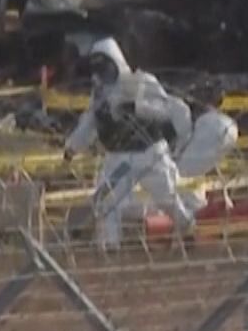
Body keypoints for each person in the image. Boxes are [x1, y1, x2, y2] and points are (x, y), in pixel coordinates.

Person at [64, 37, 195, 249]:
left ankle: (187, 226)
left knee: (166, 199)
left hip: (150, 153)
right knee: (107, 201)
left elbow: (167, 110)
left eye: (105, 66)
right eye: (97, 69)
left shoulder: (141, 82)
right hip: (118, 156)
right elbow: (89, 123)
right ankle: (110, 246)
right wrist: (72, 147)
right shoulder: (99, 95)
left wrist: (137, 107)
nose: (101, 73)